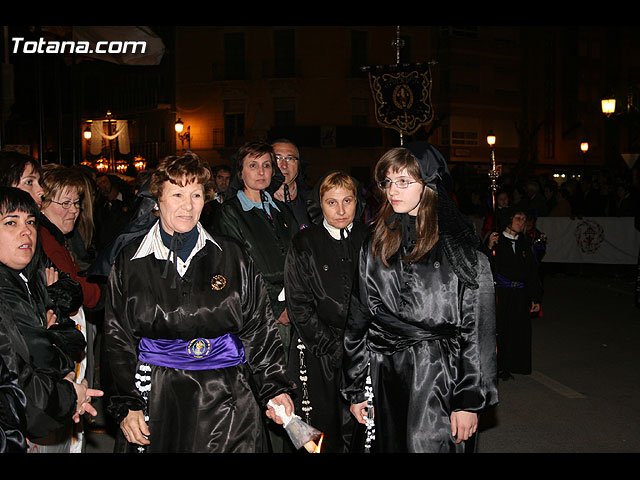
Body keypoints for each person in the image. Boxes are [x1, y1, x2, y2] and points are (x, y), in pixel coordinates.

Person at [104, 152, 295, 453]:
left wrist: (274, 387)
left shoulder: (232, 255)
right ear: (158, 200)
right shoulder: (130, 261)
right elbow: (117, 340)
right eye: (177, 194)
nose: (188, 205)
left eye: (196, 194)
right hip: (159, 396)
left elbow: (259, 328)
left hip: (228, 399)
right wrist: (127, 404)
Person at [341, 143, 498, 453]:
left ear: (428, 185)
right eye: (387, 181)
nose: (391, 190)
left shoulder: (459, 249)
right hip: (383, 372)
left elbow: (477, 331)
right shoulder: (374, 242)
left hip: (438, 376)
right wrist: (356, 388)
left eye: (403, 181)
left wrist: (469, 400)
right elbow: (358, 319)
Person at [0, 187, 102, 453]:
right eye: (11, 222)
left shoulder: (29, 278)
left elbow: (72, 340)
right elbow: (26, 381)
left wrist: (50, 332)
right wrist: (71, 395)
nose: (26, 231)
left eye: (30, 222)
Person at [284, 170, 368, 453]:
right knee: (319, 428)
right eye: (332, 202)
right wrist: (331, 347)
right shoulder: (304, 242)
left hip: (364, 348)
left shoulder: (372, 240)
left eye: (348, 201)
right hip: (316, 348)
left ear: (357, 202)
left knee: (360, 426)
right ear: (320, 203)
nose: (341, 210)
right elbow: (299, 303)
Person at [487, 207, 542, 379]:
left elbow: (532, 273)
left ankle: (513, 365)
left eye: (524, 219)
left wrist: (535, 297)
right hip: (501, 294)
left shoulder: (524, 244)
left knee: (517, 331)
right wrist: (489, 247)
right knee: (500, 330)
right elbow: (485, 265)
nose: (521, 222)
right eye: (518, 218)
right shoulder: (496, 240)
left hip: (520, 294)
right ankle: (497, 366)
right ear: (509, 219)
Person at [271, 139, 312, 228]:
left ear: (299, 164)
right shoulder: (257, 202)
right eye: (277, 158)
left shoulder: (313, 202)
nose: (284, 165)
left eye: (290, 158)